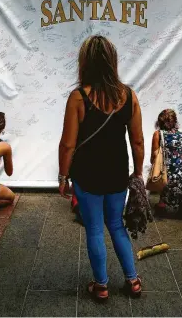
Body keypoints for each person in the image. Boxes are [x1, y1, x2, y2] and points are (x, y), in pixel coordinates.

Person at [58, 35, 144, 301]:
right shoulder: (128, 95)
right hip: (117, 171)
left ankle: (101, 285)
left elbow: (67, 145)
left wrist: (63, 176)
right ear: (112, 62)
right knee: (116, 225)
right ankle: (133, 280)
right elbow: (138, 140)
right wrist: (138, 173)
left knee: (95, 228)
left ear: (85, 63)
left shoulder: (78, 97)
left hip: (87, 173)